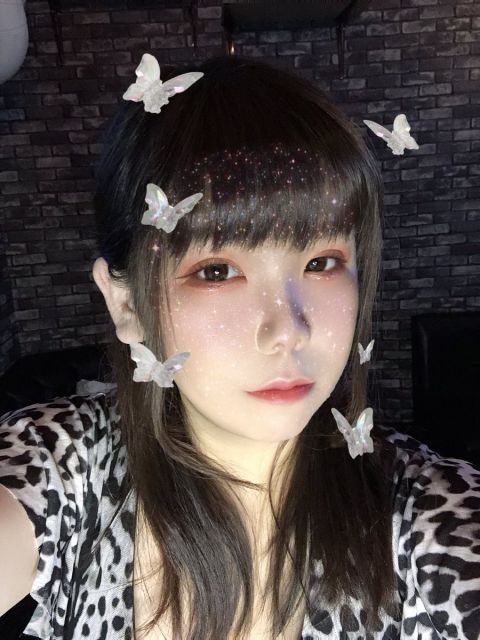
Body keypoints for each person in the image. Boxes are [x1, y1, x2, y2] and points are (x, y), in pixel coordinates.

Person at [0, 54, 479, 640]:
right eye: (217, 271)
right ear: (126, 305)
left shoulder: (424, 516)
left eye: (322, 262)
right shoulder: (64, 467)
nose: (288, 330)